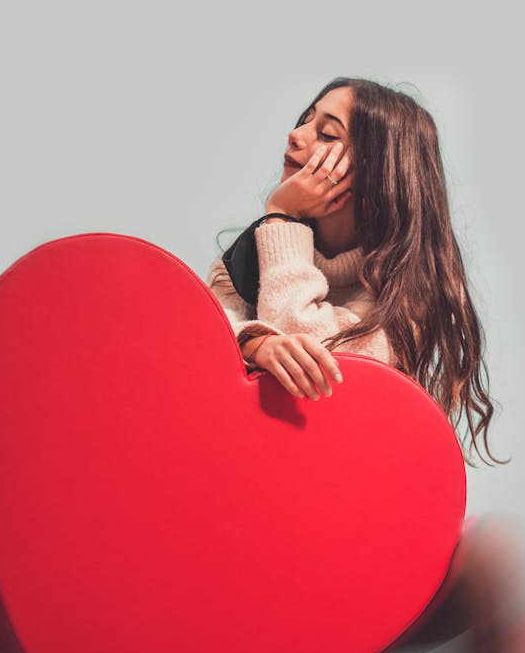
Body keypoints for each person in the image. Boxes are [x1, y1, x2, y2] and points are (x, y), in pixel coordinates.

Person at [206, 75, 501, 468]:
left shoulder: (407, 297)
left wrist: (282, 214)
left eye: (327, 135)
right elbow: (201, 344)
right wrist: (257, 344)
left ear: (378, 170)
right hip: (239, 467)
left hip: (335, 488)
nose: (295, 135)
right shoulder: (247, 259)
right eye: (305, 120)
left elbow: (319, 369)